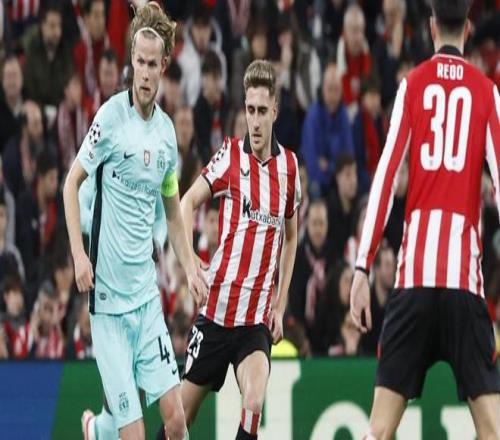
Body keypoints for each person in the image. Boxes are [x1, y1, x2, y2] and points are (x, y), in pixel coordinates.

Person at [349, 1, 500, 438]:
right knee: (492, 431)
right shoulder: (486, 93)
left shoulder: (412, 86)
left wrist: (362, 267)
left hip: (413, 281)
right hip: (463, 286)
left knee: (378, 431)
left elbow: (384, 179)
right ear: (467, 29)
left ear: (432, 27)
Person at [63, 3, 207, 440]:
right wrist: (78, 256)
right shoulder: (110, 118)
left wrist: (189, 265)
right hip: (108, 306)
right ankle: (100, 430)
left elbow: (173, 211)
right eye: (138, 63)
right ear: (132, 62)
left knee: (177, 420)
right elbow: (70, 185)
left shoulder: (166, 135)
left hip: (145, 301)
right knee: (135, 434)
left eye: (151, 64)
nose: (144, 73)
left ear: (164, 67)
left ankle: (98, 430)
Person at [159, 59, 301, 440]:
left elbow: (291, 237)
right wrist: (191, 266)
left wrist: (280, 304)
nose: (254, 121)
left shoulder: (289, 168)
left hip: (254, 322)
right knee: (178, 424)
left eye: (261, 111)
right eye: (249, 110)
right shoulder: (230, 156)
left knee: (253, 402)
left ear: (275, 110)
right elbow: (186, 202)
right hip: (217, 313)